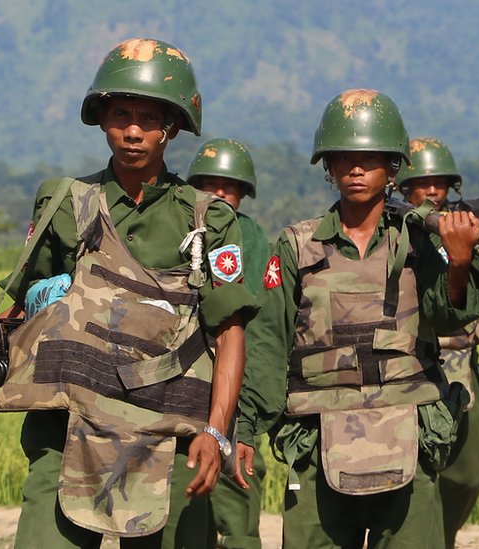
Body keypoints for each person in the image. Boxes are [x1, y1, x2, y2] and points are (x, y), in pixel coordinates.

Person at [0, 38, 259, 549]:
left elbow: (230, 332)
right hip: (68, 425)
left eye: (149, 118)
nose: (133, 130)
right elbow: (29, 302)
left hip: (171, 431)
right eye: (120, 114)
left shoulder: (208, 219)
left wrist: (217, 433)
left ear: (172, 128)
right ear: (102, 119)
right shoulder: (65, 203)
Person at [234, 89, 479, 549]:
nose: (356, 169)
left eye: (370, 158)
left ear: (393, 167)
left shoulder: (419, 242)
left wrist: (458, 264)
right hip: (316, 437)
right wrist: (244, 428)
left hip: (407, 432)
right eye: (344, 158)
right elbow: (267, 344)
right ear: (329, 166)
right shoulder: (297, 246)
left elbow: (447, 319)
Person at [396, 136, 479, 549]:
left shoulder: (461, 230)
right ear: (404, 187)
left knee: (468, 475)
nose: (432, 191)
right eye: (423, 182)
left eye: (440, 182)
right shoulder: (399, 233)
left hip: (462, 368)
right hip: (412, 366)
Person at [185, 138, 269, 549]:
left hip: (232, 387)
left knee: (235, 510)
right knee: (187, 510)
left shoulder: (247, 236)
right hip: (182, 385)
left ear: (244, 192)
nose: (218, 192)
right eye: (208, 183)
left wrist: (248, 418)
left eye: (229, 185)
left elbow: (257, 330)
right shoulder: (182, 228)